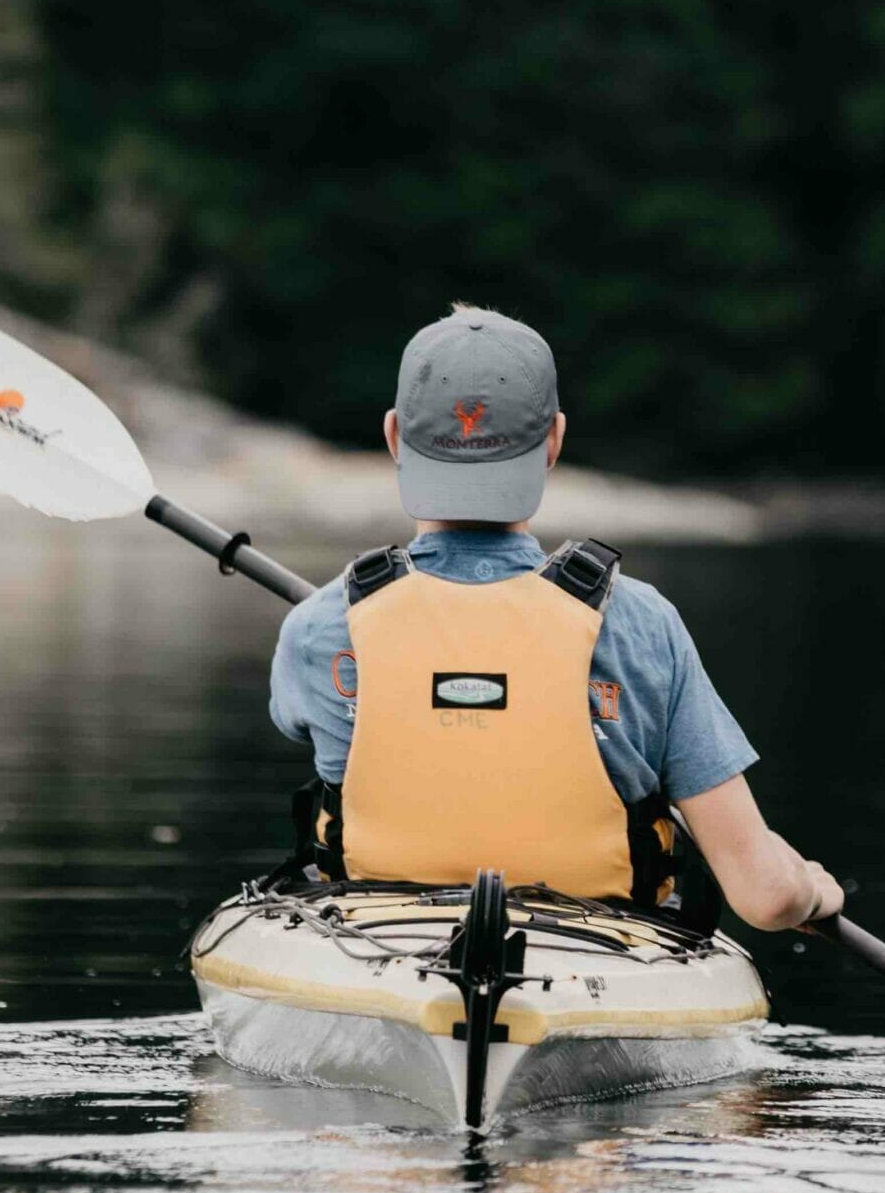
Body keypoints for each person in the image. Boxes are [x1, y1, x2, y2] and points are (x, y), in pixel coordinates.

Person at [268, 304, 844, 933]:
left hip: (376, 944)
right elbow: (767, 900)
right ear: (553, 441)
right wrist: (811, 890)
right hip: (600, 951)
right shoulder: (643, 624)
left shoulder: (320, 625)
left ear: (393, 437)